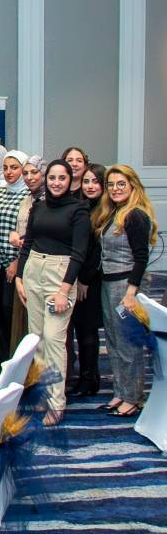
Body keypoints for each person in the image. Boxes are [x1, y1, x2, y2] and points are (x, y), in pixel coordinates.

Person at [15, 159, 91, 426]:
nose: (56, 183)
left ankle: (57, 403)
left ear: (70, 181)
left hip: (60, 275)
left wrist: (64, 290)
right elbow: (28, 243)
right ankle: (43, 392)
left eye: (62, 178)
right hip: (33, 269)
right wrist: (20, 276)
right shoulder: (39, 206)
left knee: (54, 338)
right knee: (36, 337)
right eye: (52, 178)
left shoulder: (79, 210)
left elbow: (79, 254)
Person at [93, 164, 157, 418]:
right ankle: (121, 392)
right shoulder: (114, 212)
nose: (115, 189)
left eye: (121, 184)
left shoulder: (135, 216)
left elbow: (141, 258)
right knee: (113, 341)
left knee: (128, 345)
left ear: (132, 186)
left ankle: (133, 397)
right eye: (111, 185)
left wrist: (131, 294)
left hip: (126, 286)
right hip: (109, 283)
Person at [67, 163, 106, 397]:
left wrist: (84, 280)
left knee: (87, 329)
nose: (90, 186)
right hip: (78, 276)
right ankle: (88, 376)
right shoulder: (82, 206)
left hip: (92, 280)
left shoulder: (105, 210)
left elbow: (96, 251)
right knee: (80, 329)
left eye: (96, 182)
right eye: (87, 181)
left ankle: (89, 379)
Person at [0, 149, 30, 355]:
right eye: (5, 168)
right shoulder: (0, 189)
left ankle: (16, 356)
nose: (9, 172)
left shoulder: (29, 194)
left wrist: (16, 262)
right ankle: (1, 356)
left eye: (14, 168)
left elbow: (30, 233)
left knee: (10, 310)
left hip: (15, 263)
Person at [9, 155, 46, 353]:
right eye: (26, 173)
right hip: (24, 264)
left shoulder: (50, 200)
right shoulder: (26, 200)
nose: (29, 177)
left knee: (44, 329)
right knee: (23, 322)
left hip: (44, 269)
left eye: (34, 172)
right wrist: (14, 236)